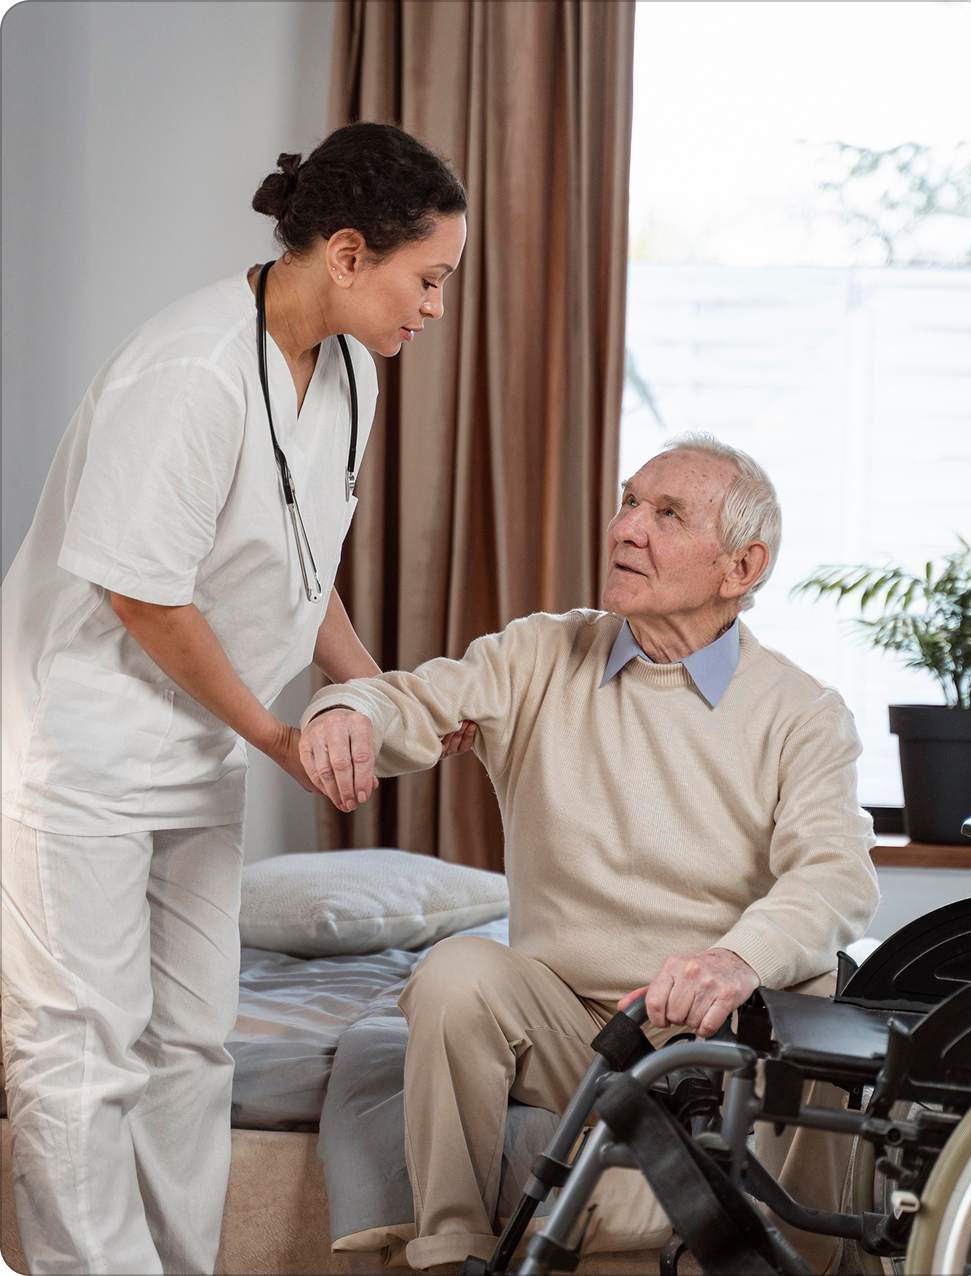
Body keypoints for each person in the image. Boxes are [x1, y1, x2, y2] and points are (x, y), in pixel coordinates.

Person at [1, 122, 470, 1275]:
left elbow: (298, 564)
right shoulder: (190, 371)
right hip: (86, 747)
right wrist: (277, 734)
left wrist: (377, 687)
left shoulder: (352, 369)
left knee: (194, 1042)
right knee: (84, 1043)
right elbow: (143, 596)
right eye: (430, 279)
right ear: (350, 254)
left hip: (199, 746)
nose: (435, 309)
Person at [298, 432, 880, 1274]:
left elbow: (834, 875)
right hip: (569, 1026)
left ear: (740, 567)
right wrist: (346, 711)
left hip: (717, 1037)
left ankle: (811, 1261)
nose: (626, 528)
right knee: (456, 972)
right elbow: (416, 702)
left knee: (823, 978)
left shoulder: (802, 713)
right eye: (628, 501)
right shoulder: (541, 653)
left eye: (667, 513)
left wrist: (733, 959)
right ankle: (450, 1249)